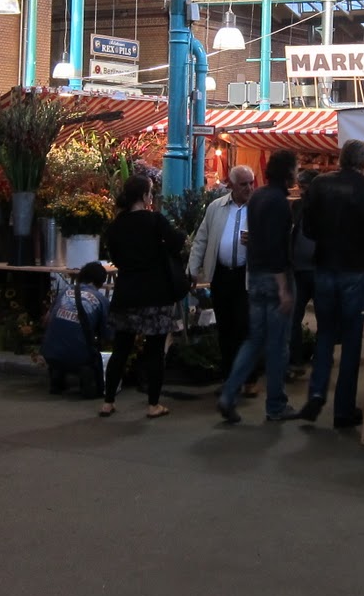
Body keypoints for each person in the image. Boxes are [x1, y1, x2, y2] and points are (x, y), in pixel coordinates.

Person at [300, 139, 364, 428]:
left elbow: (307, 228)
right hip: (352, 269)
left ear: (340, 158)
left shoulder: (320, 184)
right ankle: (343, 410)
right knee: (351, 338)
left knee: (325, 333)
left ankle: (316, 392)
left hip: (323, 266)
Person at [217, 151, 300, 424]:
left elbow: (255, 239)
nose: (297, 173)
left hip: (254, 277)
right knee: (277, 345)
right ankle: (276, 405)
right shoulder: (279, 203)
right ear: (287, 172)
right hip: (275, 278)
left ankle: (229, 393)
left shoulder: (258, 197)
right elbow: (277, 247)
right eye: (296, 168)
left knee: (254, 340)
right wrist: (283, 288)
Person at [100, 174, 187, 418]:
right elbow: (176, 242)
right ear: (145, 196)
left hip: (127, 292)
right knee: (155, 350)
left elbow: (116, 258)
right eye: (151, 193)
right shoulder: (155, 220)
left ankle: (108, 402)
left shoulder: (116, 225)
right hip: (155, 293)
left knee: (121, 349)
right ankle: (153, 405)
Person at [188, 165, 256, 393]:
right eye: (244, 184)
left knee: (244, 326)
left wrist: (256, 241)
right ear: (231, 185)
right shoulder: (216, 208)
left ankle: (248, 379)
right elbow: (201, 239)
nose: (249, 188)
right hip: (222, 275)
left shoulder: (258, 209)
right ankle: (229, 379)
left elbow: (273, 241)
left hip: (246, 276)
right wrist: (193, 268)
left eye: (251, 183)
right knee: (225, 328)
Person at [41, 261, 111, 397]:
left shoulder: (64, 292)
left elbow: (46, 320)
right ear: (101, 282)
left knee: (65, 344)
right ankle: (88, 382)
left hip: (50, 351)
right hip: (79, 356)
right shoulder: (101, 300)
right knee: (88, 356)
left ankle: (57, 377)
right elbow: (107, 334)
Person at [289, 169, 318, 371]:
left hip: (318, 269)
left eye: (305, 187)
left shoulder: (326, 206)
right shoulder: (297, 205)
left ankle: (321, 356)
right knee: (293, 316)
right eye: (300, 187)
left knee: (324, 316)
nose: (301, 191)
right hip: (298, 270)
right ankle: (296, 359)